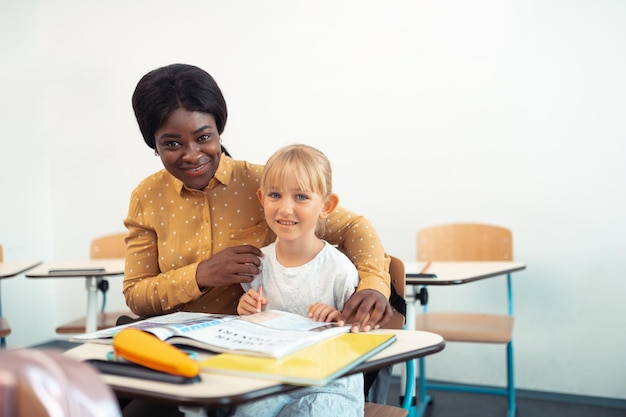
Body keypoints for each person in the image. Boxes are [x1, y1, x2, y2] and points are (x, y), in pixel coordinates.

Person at [120, 63, 394, 415]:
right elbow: (137, 295)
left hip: (255, 356)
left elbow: (354, 226)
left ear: (219, 131)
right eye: (172, 143)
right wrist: (200, 275)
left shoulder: (269, 185)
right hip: (182, 355)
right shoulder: (147, 197)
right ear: (154, 146)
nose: (192, 154)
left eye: (204, 137)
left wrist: (373, 286)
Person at [234, 143, 363, 417]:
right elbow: (253, 332)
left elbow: (358, 336)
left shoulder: (339, 269)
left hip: (328, 385)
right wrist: (245, 312)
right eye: (275, 195)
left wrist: (338, 319)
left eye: (301, 197)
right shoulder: (258, 265)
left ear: (326, 206)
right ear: (261, 198)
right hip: (273, 382)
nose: (285, 208)